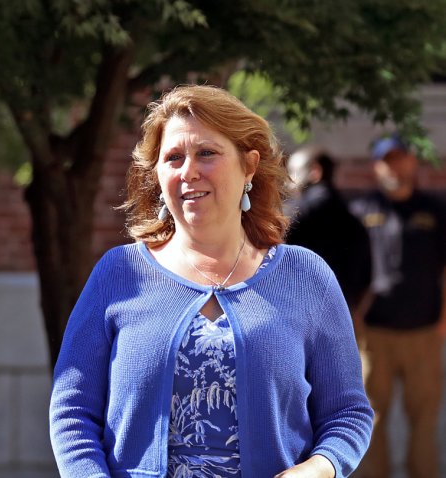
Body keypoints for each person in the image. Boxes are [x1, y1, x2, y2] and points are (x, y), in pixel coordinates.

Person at [49, 85, 373, 478]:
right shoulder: (120, 274)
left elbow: (348, 413)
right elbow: (72, 411)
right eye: (172, 158)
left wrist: (320, 468)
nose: (188, 171)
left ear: (249, 165)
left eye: (207, 153)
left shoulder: (306, 277)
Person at [350, 134, 446, 478]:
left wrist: (444, 321)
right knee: (370, 417)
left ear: (412, 162)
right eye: (386, 160)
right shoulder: (359, 211)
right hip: (373, 333)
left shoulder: (435, 210)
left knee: (424, 418)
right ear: (376, 167)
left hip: (424, 331)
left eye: (400, 158)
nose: (394, 166)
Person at [285, 146, 371, 312]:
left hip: (297, 315)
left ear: (315, 172)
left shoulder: (293, 215)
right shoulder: (353, 219)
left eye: (292, 173)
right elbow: (366, 275)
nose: (287, 183)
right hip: (341, 314)